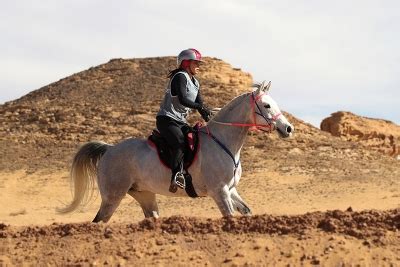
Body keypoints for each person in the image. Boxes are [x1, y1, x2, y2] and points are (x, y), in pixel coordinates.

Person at [156, 48, 213, 193]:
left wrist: (209, 117)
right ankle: (176, 176)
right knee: (180, 142)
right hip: (167, 119)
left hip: (180, 121)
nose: (199, 66)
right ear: (186, 63)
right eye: (196, 63)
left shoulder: (196, 82)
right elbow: (183, 99)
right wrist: (201, 106)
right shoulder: (180, 76)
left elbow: (200, 105)